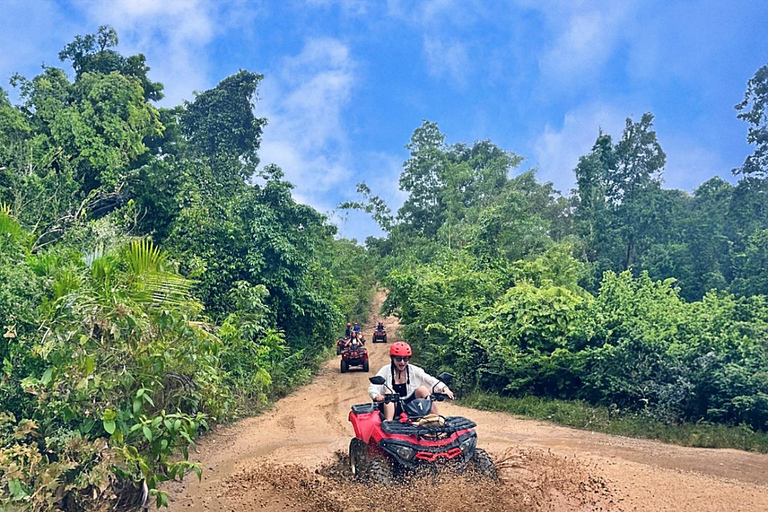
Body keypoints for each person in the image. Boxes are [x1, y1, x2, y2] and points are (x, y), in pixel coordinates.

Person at [368, 342, 454, 422]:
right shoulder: (385, 370)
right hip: (394, 406)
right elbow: (373, 387)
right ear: (392, 358)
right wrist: (376, 396)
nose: (402, 362)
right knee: (389, 392)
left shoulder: (414, 370)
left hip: (411, 405)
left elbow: (429, 379)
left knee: (422, 389)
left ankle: (435, 420)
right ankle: (388, 423)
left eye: (405, 359)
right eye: (398, 359)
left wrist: (444, 388)